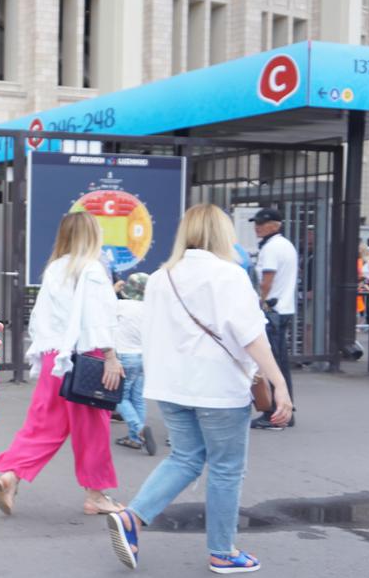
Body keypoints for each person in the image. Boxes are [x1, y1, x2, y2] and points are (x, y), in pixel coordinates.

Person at [105, 204, 293, 574]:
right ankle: (222, 551)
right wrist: (279, 382)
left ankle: (134, 516)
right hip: (218, 387)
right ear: (222, 233)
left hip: (171, 386)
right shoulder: (229, 274)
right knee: (225, 468)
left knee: (186, 458)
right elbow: (251, 336)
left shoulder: (162, 276)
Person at [0, 211, 123, 517]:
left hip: (53, 358)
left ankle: (11, 474)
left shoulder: (55, 269)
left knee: (43, 425)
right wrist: (111, 358)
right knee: (93, 430)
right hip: (86, 358)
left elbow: (40, 319)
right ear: (92, 235)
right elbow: (100, 318)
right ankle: (96, 495)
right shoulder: (92, 269)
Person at [249, 208, 297, 431]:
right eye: (256, 222)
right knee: (280, 363)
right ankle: (284, 410)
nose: (257, 226)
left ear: (276, 225)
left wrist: (260, 302)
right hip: (283, 308)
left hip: (271, 311)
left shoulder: (270, 248)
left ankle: (274, 414)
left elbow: (267, 280)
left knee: (270, 363)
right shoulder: (285, 245)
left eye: (262, 222)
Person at [112, 272, 155, 456]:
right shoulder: (150, 309)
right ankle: (135, 439)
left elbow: (101, 310)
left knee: (119, 397)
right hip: (143, 357)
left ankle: (138, 429)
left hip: (124, 355)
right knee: (137, 398)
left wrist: (113, 291)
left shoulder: (120, 305)